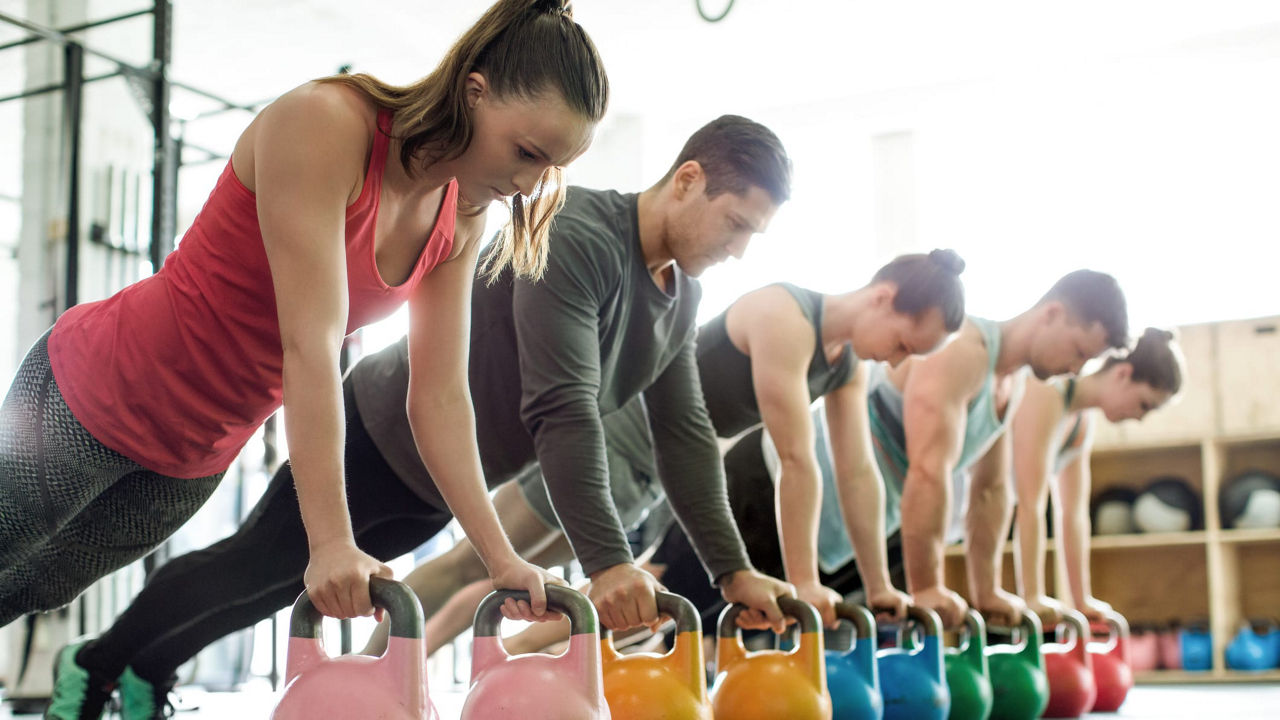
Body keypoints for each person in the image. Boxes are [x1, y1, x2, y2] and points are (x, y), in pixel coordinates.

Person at [52, 113, 796, 718]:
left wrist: (733, 572)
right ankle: (95, 664)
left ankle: (146, 668)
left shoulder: (679, 295)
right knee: (254, 565)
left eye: (751, 237)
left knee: (279, 588)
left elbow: (687, 435)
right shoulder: (580, 238)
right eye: (734, 225)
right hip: (379, 429)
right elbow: (562, 409)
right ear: (687, 180)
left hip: (442, 479)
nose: (737, 251)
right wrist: (606, 565)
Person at [8, 1, 607, 717]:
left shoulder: (461, 214)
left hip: (195, 453)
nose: (532, 184)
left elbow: (441, 397)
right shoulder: (327, 124)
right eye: (527, 152)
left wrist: (500, 556)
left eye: (552, 167)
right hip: (95, 389)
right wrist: (331, 544)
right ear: (474, 93)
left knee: (39, 586)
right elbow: (312, 343)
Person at [365, 250, 968, 656]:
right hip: (606, 448)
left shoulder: (843, 367)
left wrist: (881, 582)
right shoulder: (786, 316)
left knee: (531, 587)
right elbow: (795, 460)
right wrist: (805, 581)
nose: (895, 362)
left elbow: (859, 474)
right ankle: (375, 669)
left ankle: (431, 683)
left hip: (649, 479)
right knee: (475, 565)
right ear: (885, 298)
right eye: (902, 344)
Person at [1011, 328, 1184, 626]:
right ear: (1123, 374)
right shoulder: (1048, 393)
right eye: (1144, 404)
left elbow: (1073, 513)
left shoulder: (1081, 420)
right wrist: (1032, 596)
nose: (1140, 418)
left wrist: (1081, 601)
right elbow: (1030, 504)